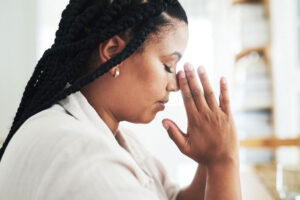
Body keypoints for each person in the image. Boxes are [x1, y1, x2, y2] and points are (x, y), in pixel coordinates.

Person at [0, 0, 242, 199]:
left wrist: (211, 159)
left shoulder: (103, 134)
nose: (175, 84)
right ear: (113, 53)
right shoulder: (84, 160)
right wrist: (224, 162)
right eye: (168, 65)